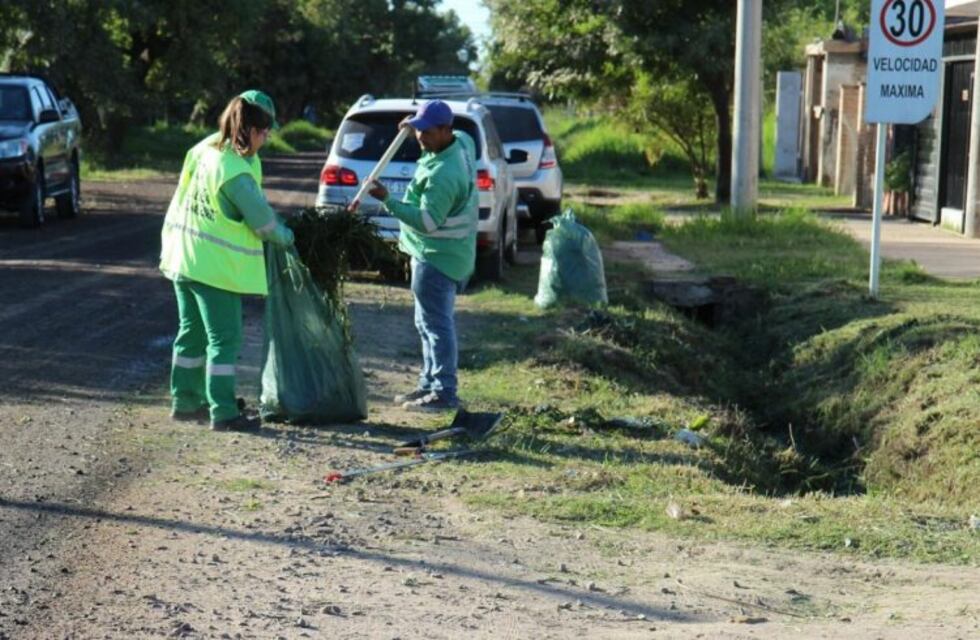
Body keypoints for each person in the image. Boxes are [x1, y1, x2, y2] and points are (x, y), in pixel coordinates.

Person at [159, 90, 295, 431]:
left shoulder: (205, 148)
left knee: (191, 334)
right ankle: (223, 412)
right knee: (225, 338)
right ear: (252, 129)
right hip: (212, 267)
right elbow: (264, 224)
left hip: (183, 255)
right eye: (266, 132)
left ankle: (185, 401)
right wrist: (290, 237)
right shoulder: (234, 170)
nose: (267, 139)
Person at [367, 99, 478, 412]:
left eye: (427, 132)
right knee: (424, 322)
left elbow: (427, 222)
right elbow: (464, 136)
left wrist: (387, 199)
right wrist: (412, 123)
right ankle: (428, 384)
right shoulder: (462, 143)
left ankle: (444, 391)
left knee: (437, 325)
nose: (420, 137)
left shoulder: (445, 173)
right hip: (443, 254)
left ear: (445, 130)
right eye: (419, 130)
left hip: (438, 257)